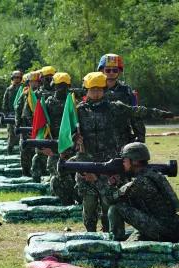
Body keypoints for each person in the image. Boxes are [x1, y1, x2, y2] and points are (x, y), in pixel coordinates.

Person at [73, 72, 173, 232]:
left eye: (99, 89)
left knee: (109, 204)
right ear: (86, 90)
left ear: (105, 89)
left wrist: (161, 114)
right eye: (92, 89)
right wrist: (74, 139)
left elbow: (137, 111)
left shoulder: (115, 107)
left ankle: (109, 236)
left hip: (111, 165)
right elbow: (66, 136)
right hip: (87, 164)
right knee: (89, 204)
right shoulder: (77, 111)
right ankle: (90, 235)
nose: (96, 93)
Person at [107, 142, 179, 242]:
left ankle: (116, 243)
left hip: (162, 231)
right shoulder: (154, 174)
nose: (123, 164)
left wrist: (105, 183)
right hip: (173, 226)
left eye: (125, 160)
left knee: (116, 208)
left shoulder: (139, 182)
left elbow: (110, 199)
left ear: (134, 162)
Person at [37, 72, 80, 204]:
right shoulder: (47, 103)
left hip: (72, 147)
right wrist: (41, 146)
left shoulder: (73, 103)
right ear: (53, 86)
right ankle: (66, 201)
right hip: (54, 147)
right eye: (58, 86)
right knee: (58, 177)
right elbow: (41, 126)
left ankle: (78, 199)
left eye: (64, 86)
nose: (61, 89)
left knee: (77, 177)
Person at [98, 53, 146, 145]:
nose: (111, 73)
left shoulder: (127, 91)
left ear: (119, 72)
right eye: (107, 70)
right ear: (101, 71)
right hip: (98, 140)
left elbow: (135, 115)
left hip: (122, 140)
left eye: (115, 70)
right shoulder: (92, 89)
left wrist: (140, 140)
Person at [15, 71, 41, 176]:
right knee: (25, 151)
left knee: (38, 152)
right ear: (28, 83)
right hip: (26, 127)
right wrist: (18, 124)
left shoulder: (41, 94)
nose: (34, 84)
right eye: (32, 82)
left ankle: (37, 174)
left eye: (36, 82)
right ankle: (25, 173)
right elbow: (18, 109)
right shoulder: (25, 94)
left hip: (38, 128)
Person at [2, 70, 23, 154]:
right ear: (12, 78)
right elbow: (5, 102)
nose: (17, 79)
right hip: (11, 114)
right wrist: (6, 113)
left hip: (21, 115)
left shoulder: (24, 88)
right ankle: (9, 150)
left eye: (19, 77)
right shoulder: (9, 89)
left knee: (21, 134)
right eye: (15, 77)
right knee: (11, 134)